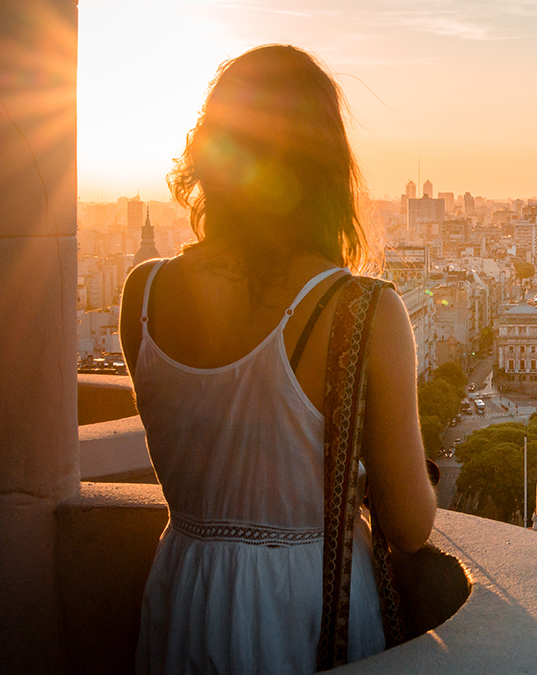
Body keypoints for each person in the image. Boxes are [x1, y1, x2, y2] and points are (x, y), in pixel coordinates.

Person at [120, 45, 436, 674]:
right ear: (326, 168)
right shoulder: (364, 311)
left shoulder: (143, 294)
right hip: (307, 607)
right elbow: (410, 525)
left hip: (185, 593)